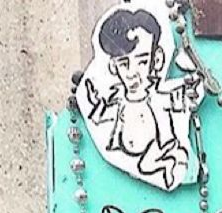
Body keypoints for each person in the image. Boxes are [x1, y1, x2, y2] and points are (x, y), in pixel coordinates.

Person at [82, 7, 205, 189]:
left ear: (156, 60)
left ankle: (171, 165)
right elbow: (100, 116)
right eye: (124, 64)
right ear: (113, 67)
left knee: (161, 159)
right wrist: (94, 101)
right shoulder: (116, 98)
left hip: (160, 152)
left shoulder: (160, 95)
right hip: (129, 156)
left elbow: (184, 96)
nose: (133, 73)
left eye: (142, 61)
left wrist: (193, 87)